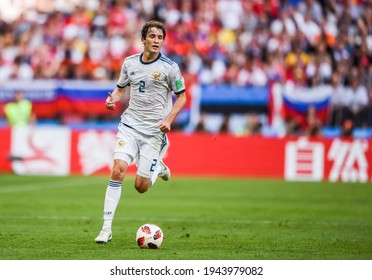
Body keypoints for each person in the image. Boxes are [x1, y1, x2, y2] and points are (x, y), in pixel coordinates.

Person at [95, 20, 186, 244]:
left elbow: (182, 96)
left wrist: (169, 119)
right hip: (130, 127)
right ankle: (106, 229)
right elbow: (120, 89)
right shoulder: (129, 63)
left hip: (154, 132)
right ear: (143, 39)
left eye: (160, 38)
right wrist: (111, 100)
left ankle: (159, 168)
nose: (156, 41)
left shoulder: (170, 67)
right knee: (118, 170)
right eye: (152, 36)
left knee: (140, 187)